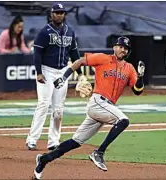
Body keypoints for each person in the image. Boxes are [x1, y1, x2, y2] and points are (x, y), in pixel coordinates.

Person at [32, 36, 146, 180]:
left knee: (75, 141)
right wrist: (64, 77)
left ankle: (43, 160)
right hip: (98, 102)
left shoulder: (129, 68)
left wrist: (141, 76)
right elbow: (80, 61)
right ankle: (99, 153)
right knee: (123, 120)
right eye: (120, 46)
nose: (123, 50)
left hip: (105, 108)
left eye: (125, 48)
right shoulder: (103, 58)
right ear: (114, 47)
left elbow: (137, 90)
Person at [25, 3, 87, 151]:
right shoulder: (44, 32)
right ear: (51, 14)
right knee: (43, 104)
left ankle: (53, 141)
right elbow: (37, 53)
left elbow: (74, 54)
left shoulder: (69, 32)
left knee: (58, 109)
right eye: (57, 12)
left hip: (62, 72)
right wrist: (39, 72)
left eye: (62, 13)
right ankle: (32, 139)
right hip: (46, 71)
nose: (59, 15)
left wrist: (80, 75)